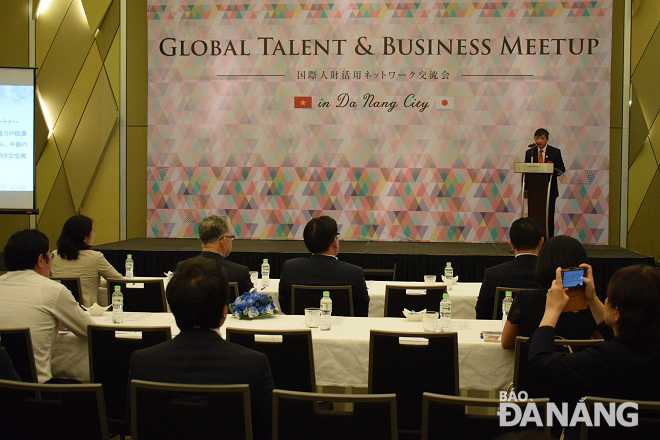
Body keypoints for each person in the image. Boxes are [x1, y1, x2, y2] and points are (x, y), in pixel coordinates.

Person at [129, 258, 274, 439]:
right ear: (224, 312)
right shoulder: (253, 364)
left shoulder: (143, 362)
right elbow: (267, 428)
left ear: (173, 309)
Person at [527, 264, 660, 407]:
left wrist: (552, 309)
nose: (606, 300)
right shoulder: (647, 351)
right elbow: (620, 338)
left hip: (602, 428)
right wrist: (592, 299)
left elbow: (539, 364)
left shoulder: (604, 358)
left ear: (617, 312)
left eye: (609, 298)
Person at [0, 229, 90, 383]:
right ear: (41, 260)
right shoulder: (53, 290)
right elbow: (89, 330)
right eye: (51, 256)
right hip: (36, 389)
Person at [501, 235, 599, 349]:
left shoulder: (525, 299)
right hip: (580, 365)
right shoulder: (591, 305)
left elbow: (507, 342)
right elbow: (603, 339)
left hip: (536, 364)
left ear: (542, 263)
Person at [278, 215, 370, 316]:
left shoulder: (290, 269)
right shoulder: (354, 273)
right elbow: (362, 312)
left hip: (302, 329)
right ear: (334, 241)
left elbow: (285, 306)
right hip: (343, 331)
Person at [475, 218, 543, 319]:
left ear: (511, 244)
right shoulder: (553, 276)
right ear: (541, 242)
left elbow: (481, 314)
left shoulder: (493, 275)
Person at [51, 214, 123, 307]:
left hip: (58, 311)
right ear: (85, 237)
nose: (94, 234)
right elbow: (118, 280)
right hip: (86, 312)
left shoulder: (54, 256)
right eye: (93, 230)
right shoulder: (95, 257)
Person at [176, 215, 253, 295]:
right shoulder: (239, 273)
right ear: (224, 241)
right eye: (231, 237)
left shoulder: (183, 269)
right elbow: (251, 305)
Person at [524, 128, 565, 238]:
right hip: (534, 191)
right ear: (534, 139)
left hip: (549, 190)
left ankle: (548, 240)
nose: (539, 141)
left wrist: (551, 170)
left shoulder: (555, 152)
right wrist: (525, 189)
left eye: (542, 138)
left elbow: (561, 169)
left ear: (547, 139)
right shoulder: (530, 152)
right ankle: (533, 239)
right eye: (537, 138)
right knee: (533, 216)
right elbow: (525, 172)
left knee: (548, 216)